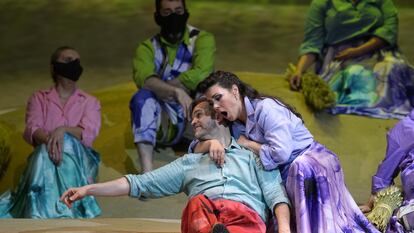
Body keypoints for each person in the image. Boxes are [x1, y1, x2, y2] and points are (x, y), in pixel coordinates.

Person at [61, 98, 291, 233]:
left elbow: (275, 195)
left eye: (199, 115)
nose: (193, 121)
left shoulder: (251, 156)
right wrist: (88, 189)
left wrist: (284, 230)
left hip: (244, 216)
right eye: (192, 117)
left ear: (219, 118)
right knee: (197, 205)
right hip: (206, 218)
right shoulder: (188, 163)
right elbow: (139, 183)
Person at [196, 70, 379, 233]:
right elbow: (198, 146)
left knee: (300, 167)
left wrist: (249, 144)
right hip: (282, 175)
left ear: (235, 91)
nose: (217, 107)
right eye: (212, 104)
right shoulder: (234, 125)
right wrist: (212, 143)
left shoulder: (266, 108)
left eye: (218, 98)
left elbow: (281, 153)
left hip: (310, 163)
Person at [0, 46, 101, 218]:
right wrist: (50, 140)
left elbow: (88, 133)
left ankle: (42, 211)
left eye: (77, 61)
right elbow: (32, 128)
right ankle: (56, 210)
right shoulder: (39, 98)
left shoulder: (90, 102)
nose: (75, 64)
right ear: (54, 67)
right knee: (45, 150)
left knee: (67, 142)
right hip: (45, 156)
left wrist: (62, 131)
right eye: (69, 61)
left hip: (80, 160)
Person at [129, 0, 215, 173]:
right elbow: (144, 80)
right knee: (141, 98)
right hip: (165, 119)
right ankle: (147, 173)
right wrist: (176, 91)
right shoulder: (147, 48)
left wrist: (160, 86)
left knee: (212, 86)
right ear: (157, 17)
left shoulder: (201, 39)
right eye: (167, 12)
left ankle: (200, 151)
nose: (174, 16)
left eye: (178, 10)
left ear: (186, 12)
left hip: (195, 114)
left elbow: (201, 73)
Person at [290, 0, 414, 119]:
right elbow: (312, 43)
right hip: (342, 57)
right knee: (355, 74)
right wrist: (299, 70)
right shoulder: (322, 3)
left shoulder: (381, 1)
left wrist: (358, 51)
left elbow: (389, 29)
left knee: (395, 67)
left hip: (376, 50)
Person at [360, 110, 414, 232]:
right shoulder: (408, 128)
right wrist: (377, 201)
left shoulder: (407, 128)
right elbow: (387, 170)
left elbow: (387, 170)